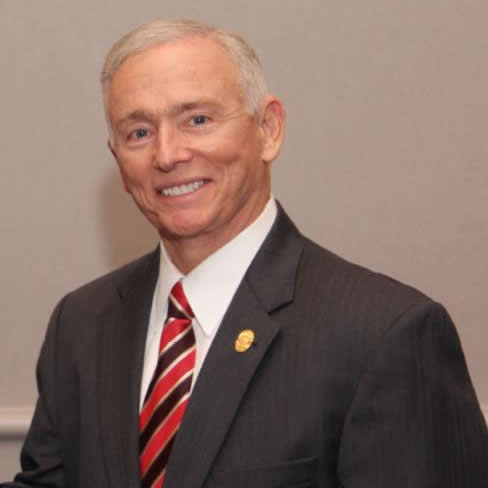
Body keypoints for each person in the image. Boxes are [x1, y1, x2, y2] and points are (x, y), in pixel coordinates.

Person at [3, 17, 488, 488]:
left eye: (197, 119)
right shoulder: (82, 323)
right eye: (139, 132)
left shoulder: (387, 335)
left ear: (268, 129)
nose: (167, 154)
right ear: (118, 159)